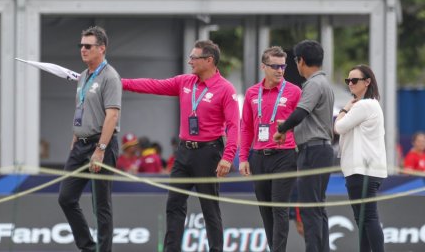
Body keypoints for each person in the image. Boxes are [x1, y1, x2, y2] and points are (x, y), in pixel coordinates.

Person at [122, 40, 239, 252]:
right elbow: (152, 85)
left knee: (210, 209)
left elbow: (234, 126)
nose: (189, 61)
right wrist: (120, 83)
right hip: (184, 152)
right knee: (174, 205)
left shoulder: (225, 89)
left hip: (209, 153)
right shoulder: (185, 82)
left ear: (209, 60)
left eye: (194, 58)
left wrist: (228, 157)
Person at [58, 26, 121, 252]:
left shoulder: (111, 77)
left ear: (101, 49)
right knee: (66, 197)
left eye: (88, 46)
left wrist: (101, 149)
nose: (82, 49)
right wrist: (76, 134)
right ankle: (88, 247)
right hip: (81, 144)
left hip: (100, 145)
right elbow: (82, 107)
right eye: (81, 46)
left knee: (101, 205)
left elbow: (112, 115)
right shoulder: (83, 76)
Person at [273, 40, 334, 252]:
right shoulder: (325, 83)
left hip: (313, 150)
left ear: (302, 61)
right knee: (317, 207)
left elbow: (300, 113)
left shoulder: (314, 84)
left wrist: (282, 130)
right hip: (321, 149)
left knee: (309, 208)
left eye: (296, 61)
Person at [239, 46, 301, 252]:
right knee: (265, 209)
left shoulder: (294, 91)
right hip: (258, 156)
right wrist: (243, 158)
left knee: (279, 208)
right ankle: (274, 247)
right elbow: (246, 127)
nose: (279, 70)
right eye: (274, 66)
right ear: (263, 67)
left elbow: (302, 123)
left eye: (282, 66)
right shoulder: (251, 93)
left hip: (285, 155)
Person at [334, 64, 387, 252]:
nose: (350, 84)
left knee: (368, 218)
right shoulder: (369, 105)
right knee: (363, 219)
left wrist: (345, 108)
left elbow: (338, 127)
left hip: (362, 170)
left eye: (354, 80)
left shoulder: (364, 105)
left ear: (367, 82)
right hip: (364, 169)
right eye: (348, 80)